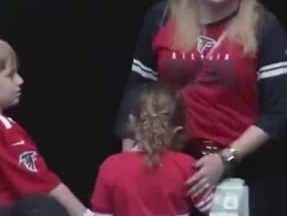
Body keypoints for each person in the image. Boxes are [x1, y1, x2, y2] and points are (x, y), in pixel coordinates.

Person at [113, 0, 287, 215]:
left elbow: (276, 113)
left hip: (239, 170)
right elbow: (136, 93)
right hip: (165, 163)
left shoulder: (264, 27)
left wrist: (226, 159)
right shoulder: (162, 17)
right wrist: (129, 164)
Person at [0, 35, 93, 216]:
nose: (20, 81)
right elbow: (41, 182)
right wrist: (86, 214)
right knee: (44, 207)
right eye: (10, 75)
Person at [91, 84, 213, 216]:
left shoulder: (110, 166)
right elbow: (214, 209)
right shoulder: (187, 166)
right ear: (178, 131)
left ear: (132, 122)